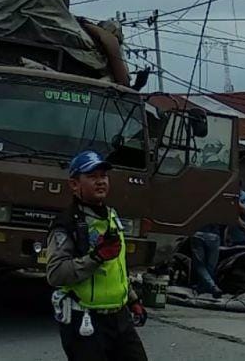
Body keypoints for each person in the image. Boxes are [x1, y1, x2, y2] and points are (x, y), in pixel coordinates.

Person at [46, 150, 148, 361]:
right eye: (92, 177)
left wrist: (133, 300)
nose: (100, 182)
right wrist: (96, 258)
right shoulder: (66, 224)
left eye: (104, 176)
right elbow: (55, 274)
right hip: (85, 321)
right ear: (74, 184)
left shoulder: (112, 216)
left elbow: (117, 267)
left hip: (120, 318)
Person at [190, 224, 223, 298]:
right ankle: (208, 286)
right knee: (210, 266)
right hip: (214, 235)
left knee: (199, 265)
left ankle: (210, 286)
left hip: (197, 232)